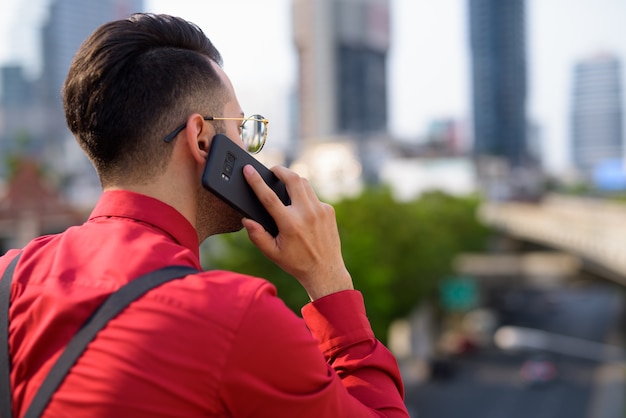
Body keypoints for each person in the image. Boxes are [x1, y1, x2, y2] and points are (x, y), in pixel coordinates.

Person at [0, 13, 409, 417]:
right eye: (242, 128)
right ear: (201, 139)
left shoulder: (8, 277)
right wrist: (331, 283)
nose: (251, 149)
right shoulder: (236, 318)